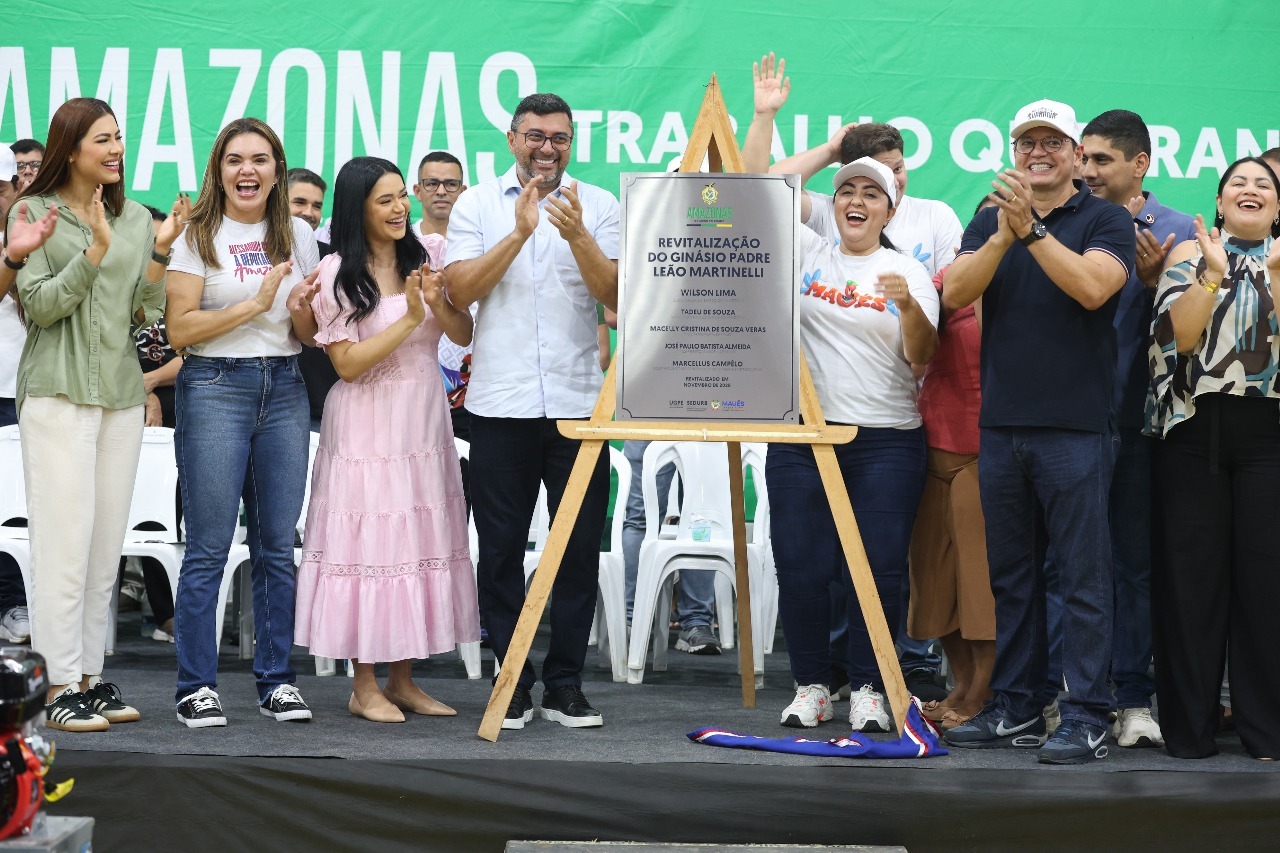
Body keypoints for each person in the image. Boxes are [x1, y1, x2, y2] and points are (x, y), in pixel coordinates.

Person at [744, 56, 938, 733]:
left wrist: (909, 306)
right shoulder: (807, 252)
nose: (856, 200)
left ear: (889, 207)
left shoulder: (908, 270)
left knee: (878, 569)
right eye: (846, 190)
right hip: (803, 435)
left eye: (871, 193)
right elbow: (756, 186)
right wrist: (771, 116)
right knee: (801, 563)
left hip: (886, 440)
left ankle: (868, 687)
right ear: (834, 203)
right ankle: (810, 685)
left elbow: (922, 357)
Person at [941, 99, 1134, 764]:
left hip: (1077, 428)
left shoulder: (1105, 217)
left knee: (1083, 577)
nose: (1039, 152)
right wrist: (1002, 233)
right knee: (1013, 577)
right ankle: (1018, 705)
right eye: (1029, 141)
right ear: (1015, 151)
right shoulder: (991, 218)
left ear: (1077, 154)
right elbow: (954, 293)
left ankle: (1085, 712)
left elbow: (1092, 288)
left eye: (1053, 141)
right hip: (1002, 426)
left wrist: (1029, 234)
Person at [7, 97, 188, 731]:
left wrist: (159, 250)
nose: (115, 149)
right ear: (72, 146)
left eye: (118, 138)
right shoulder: (33, 212)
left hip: (119, 397)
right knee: (62, 544)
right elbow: (40, 306)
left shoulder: (136, 217)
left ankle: (87, 676)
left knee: (103, 548)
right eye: (102, 139)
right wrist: (91, 255)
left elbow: (143, 312)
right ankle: (55, 686)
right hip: (56, 393)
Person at [445, 92, 618, 731]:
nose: (549, 148)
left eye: (561, 138)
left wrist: (576, 239)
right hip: (500, 403)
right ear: (512, 138)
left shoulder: (598, 205)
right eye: (536, 136)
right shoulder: (476, 203)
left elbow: (619, 297)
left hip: (578, 406)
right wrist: (519, 232)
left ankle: (567, 683)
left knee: (575, 552)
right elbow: (459, 292)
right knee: (500, 550)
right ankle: (511, 676)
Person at [295, 156, 478, 723]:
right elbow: (347, 365)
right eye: (386, 200)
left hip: (423, 420)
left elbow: (463, 332)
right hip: (366, 424)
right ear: (358, 208)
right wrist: (408, 316)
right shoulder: (334, 275)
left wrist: (438, 303)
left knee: (415, 545)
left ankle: (403, 681)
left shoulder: (432, 255)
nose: (401, 208)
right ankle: (363, 684)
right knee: (368, 548)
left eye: (403, 196)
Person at [165, 116, 319, 728]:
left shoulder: (299, 234)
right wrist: (254, 303)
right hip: (213, 386)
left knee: (277, 547)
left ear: (277, 170)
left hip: (283, 386)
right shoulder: (198, 234)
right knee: (207, 547)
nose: (247, 170)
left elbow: (304, 334)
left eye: (259, 159)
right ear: (219, 169)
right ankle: (196, 685)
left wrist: (302, 311)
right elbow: (179, 331)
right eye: (234, 160)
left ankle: (276, 680)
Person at [1146, 156, 1280, 760]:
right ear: (1220, 203)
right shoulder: (1188, 258)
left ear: (1277, 207)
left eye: (1264, 186)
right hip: (1194, 433)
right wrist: (1211, 276)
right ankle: (1190, 731)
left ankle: (1267, 731)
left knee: (1266, 587)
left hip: (1269, 440)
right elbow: (1181, 340)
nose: (1250, 191)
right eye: (1238, 185)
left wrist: (1274, 282)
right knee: (1190, 585)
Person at [1078, 109, 1196, 749]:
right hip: (1069, 421)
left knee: (1133, 564)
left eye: (1101, 160)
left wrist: (1157, 287)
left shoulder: (1178, 231)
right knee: (1061, 564)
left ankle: (1133, 698)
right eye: (1085, 159)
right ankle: (1065, 695)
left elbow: (1195, 337)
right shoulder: (1064, 221)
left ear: (1139, 165)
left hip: (1141, 424)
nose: (1088, 170)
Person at [908, 196, 999, 732]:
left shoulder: (1024, 291)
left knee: (979, 587)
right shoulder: (944, 281)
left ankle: (981, 693)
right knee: (934, 584)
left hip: (986, 452)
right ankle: (960, 683)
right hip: (929, 444)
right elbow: (915, 347)